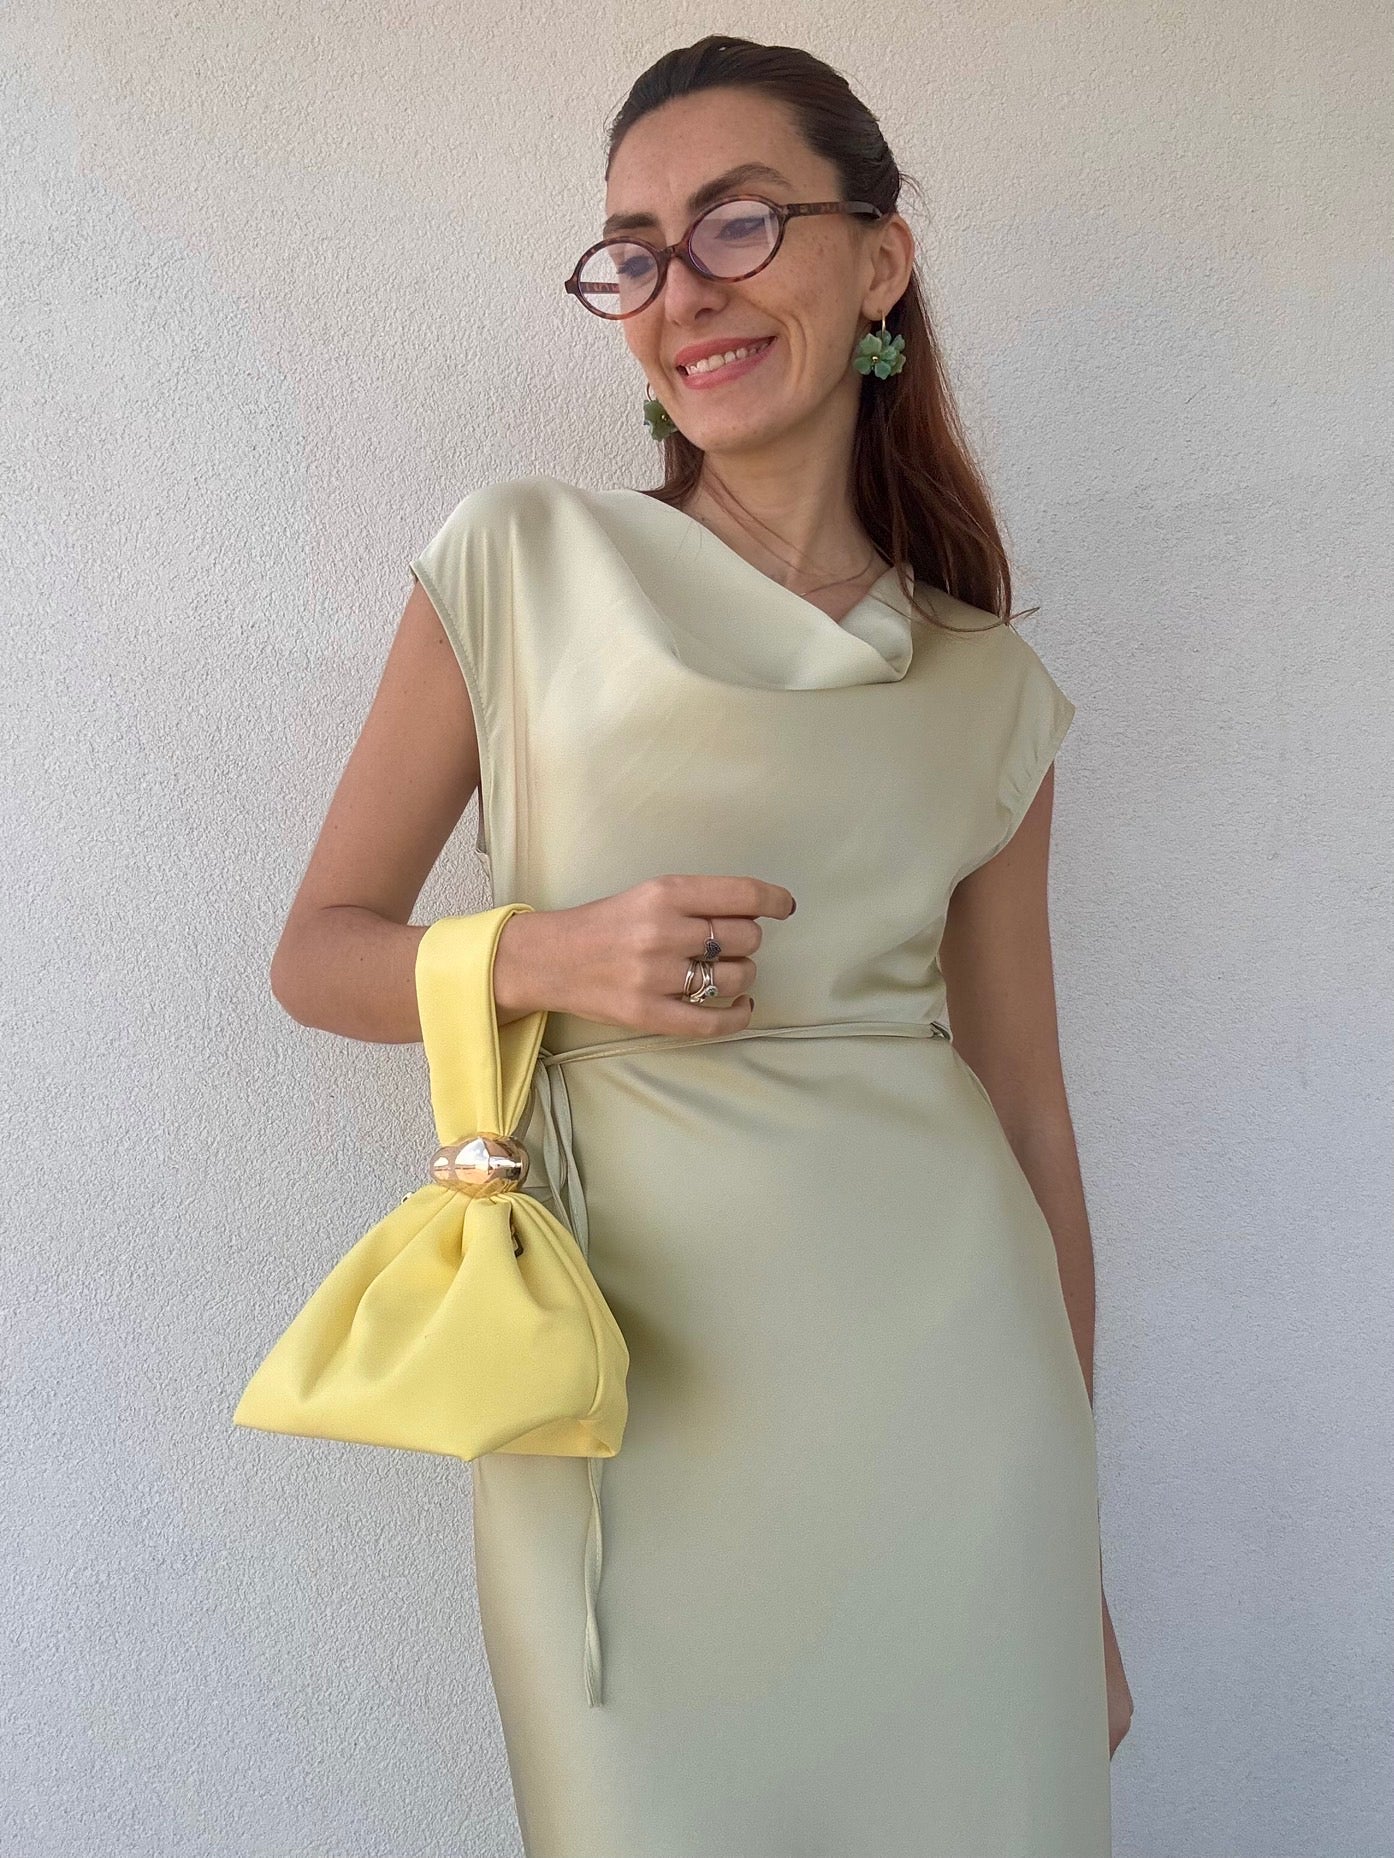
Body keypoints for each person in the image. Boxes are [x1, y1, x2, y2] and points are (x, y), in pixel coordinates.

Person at [269, 32, 1133, 1858]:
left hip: (951, 1404)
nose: (681, 292)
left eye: (739, 224)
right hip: (619, 1410)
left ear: (878, 261)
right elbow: (316, 953)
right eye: (635, 252)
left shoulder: (989, 687)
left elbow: (1030, 1119)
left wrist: (1076, 1548)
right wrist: (543, 958)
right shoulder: (516, 562)